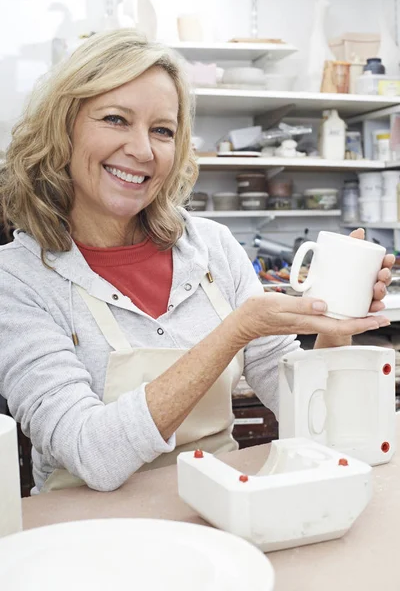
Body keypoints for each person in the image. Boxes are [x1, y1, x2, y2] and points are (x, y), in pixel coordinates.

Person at [0, 29, 393, 494]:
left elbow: (299, 405)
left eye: (162, 130)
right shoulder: (18, 277)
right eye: (115, 119)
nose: (143, 151)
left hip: (222, 512)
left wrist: (333, 332)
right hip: (90, 536)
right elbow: (90, 455)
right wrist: (235, 332)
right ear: (62, 128)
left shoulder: (211, 246)